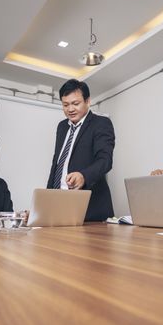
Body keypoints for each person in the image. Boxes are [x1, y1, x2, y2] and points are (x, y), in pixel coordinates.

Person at [47, 79, 115, 221]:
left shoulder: (101, 124)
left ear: (88, 101)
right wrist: (46, 199)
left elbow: (105, 160)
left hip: (89, 207)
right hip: (58, 204)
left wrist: (84, 176)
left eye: (75, 104)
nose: (70, 109)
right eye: (65, 105)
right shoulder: (62, 127)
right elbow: (58, 163)